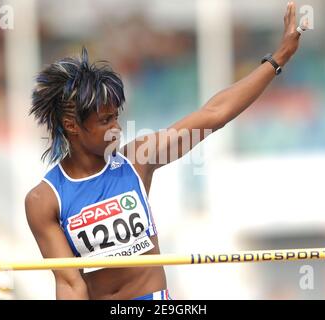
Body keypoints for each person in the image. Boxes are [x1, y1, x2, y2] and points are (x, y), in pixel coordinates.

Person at [25, 2, 305, 300]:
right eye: (105, 121)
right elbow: (70, 285)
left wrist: (279, 58)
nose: (117, 128)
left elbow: (213, 114)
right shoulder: (44, 200)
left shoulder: (137, 159)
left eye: (116, 117)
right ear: (71, 125)